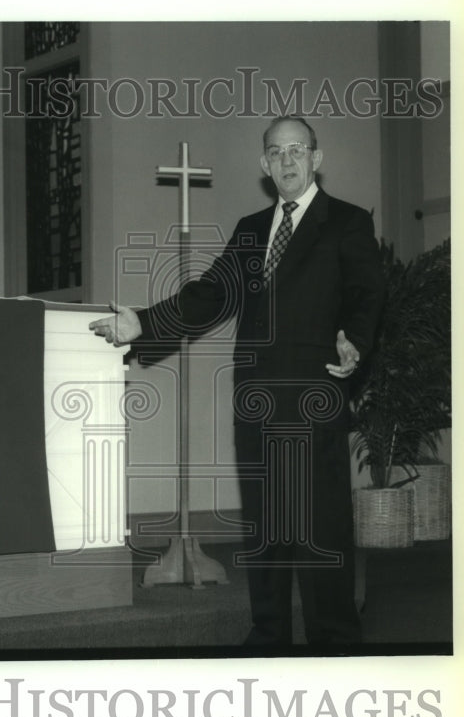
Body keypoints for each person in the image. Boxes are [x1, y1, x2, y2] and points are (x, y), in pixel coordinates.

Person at [89, 116, 385, 651]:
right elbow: (211, 296)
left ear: (316, 159)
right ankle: (267, 635)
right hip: (255, 402)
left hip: (315, 397)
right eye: (276, 152)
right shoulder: (251, 228)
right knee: (267, 530)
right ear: (264, 165)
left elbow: (367, 295)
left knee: (321, 529)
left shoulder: (345, 223)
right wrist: (144, 323)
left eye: (297, 150)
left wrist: (356, 344)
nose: (287, 160)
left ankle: (335, 644)